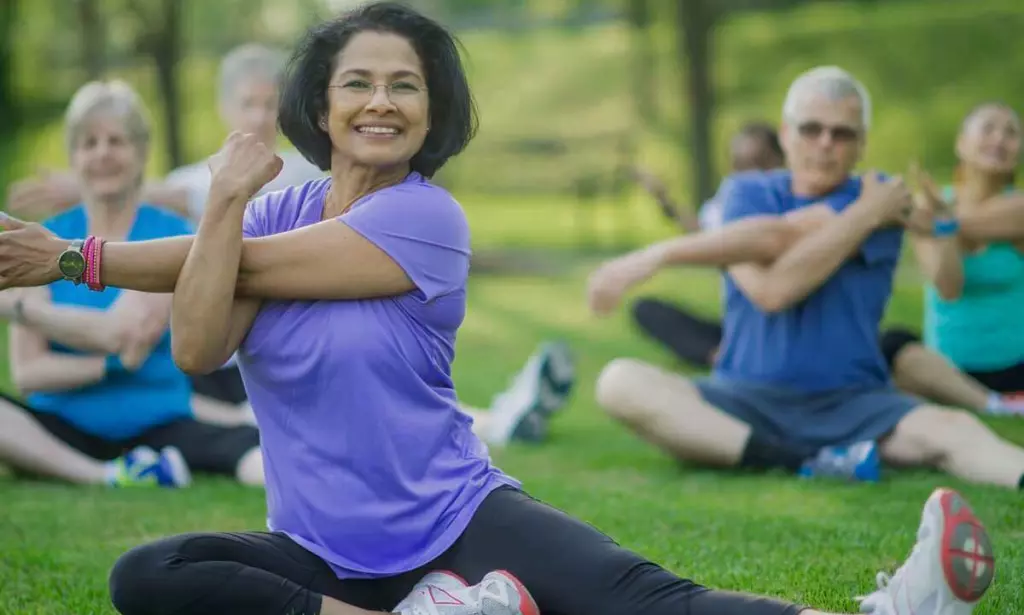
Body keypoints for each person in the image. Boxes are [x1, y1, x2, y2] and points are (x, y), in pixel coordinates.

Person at [0, 8, 996, 615]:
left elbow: (249, 268)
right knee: (150, 575)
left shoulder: (427, 218)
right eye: (358, 82)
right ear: (319, 102)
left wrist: (71, 256)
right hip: (318, 549)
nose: (382, 100)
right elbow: (198, 336)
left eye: (407, 85)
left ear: (435, 113)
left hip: (453, 519)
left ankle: (896, 609)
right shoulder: (263, 208)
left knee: (649, 605)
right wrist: (219, 199)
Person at [591, 65, 1024, 490]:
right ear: (785, 133)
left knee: (954, 428)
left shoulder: (884, 200)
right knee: (620, 382)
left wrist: (876, 212)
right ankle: (805, 460)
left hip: (856, 405)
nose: (825, 144)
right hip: (741, 399)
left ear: (861, 144)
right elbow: (770, 273)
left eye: (842, 133)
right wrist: (865, 214)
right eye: (810, 129)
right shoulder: (749, 194)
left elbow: (781, 264)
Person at [0, 80, 262, 488]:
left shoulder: (170, 234)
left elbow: (121, 334)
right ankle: (106, 475)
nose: (103, 153)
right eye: (89, 143)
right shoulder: (43, 237)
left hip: (160, 420)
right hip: (61, 423)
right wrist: (110, 365)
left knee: (252, 452)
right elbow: (29, 374)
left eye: (116, 141)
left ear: (141, 154)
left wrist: (18, 309)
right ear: (74, 157)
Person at [885, 102, 1024, 399]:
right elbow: (948, 288)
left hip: (1015, 366)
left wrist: (939, 220)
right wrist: (944, 225)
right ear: (961, 143)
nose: (999, 139)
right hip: (947, 368)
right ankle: (991, 403)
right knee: (892, 344)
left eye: (1010, 133)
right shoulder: (931, 207)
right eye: (988, 129)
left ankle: (993, 399)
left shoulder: (1019, 207)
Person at [630, 122, 785, 368]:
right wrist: (664, 199)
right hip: (738, 328)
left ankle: (740, 355)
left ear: (778, 161)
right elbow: (701, 234)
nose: (747, 173)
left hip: (783, 328)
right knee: (646, 310)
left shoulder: (791, 206)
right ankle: (722, 356)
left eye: (757, 162)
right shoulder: (729, 203)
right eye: (739, 164)